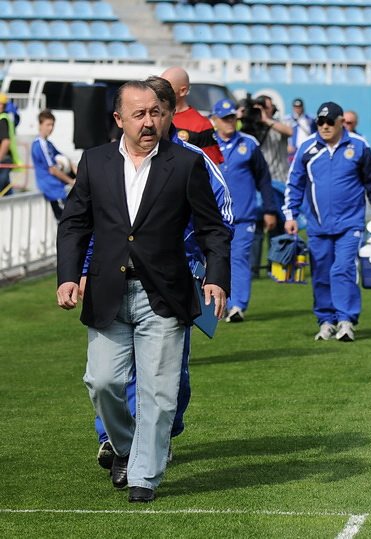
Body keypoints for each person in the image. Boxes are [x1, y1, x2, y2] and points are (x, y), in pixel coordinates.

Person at [56, 80, 231, 503]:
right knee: (102, 382)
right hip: (107, 291)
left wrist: (216, 277)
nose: (149, 122)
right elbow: (75, 223)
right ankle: (124, 446)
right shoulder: (94, 161)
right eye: (139, 114)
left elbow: (213, 228)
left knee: (159, 392)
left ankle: (144, 477)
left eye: (155, 112)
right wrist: (68, 275)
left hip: (165, 294)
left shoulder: (186, 163)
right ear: (119, 119)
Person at [283, 101, 371, 342]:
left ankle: (346, 320)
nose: (325, 126)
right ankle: (326, 321)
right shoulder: (307, 148)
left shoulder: (359, 146)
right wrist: (290, 215)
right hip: (317, 225)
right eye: (320, 122)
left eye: (330, 121)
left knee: (343, 269)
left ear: (341, 122)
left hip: (350, 224)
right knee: (321, 273)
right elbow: (294, 183)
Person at [211, 97, 277, 322]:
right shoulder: (206, 145)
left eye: (232, 117)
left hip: (243, 215)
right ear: (215, 120)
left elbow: (264, 179)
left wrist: (269, 209)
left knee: (239, 259)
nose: (229, 122)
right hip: (213, 217)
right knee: (215, 261)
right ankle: (217, 306)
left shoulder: (249, 143)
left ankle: (237, 305)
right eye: (224, 118)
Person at [160, 66, 223, 164]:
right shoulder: (152, 117)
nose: (159, 91)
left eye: (166, 88)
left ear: (183, 91)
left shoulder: (201, 125)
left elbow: (210, 166)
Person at [30, 109, 76, 220]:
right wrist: (72, 182)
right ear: (40, 125)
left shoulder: (48, 144)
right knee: (65, 221)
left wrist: (76, 169)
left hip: (58, 188)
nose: (50, 128)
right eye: (48, 124)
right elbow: (52, 170)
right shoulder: (39, 145)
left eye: (52, 125)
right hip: (51, 190)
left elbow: (65, 158)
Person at [254, 94, 293, 184]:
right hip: (261, 180)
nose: (263, 110)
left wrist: (266, 120)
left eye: (267, 107)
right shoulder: (253, 126)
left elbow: (290, 131)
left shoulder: (279, 123)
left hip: (280, 177)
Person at [0, 92, 22, 197]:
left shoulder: (2, 119)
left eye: (1, 104)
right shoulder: (5, 118)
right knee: (6, 189)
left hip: (3, 159)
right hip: (6, 159)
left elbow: (6, 141)